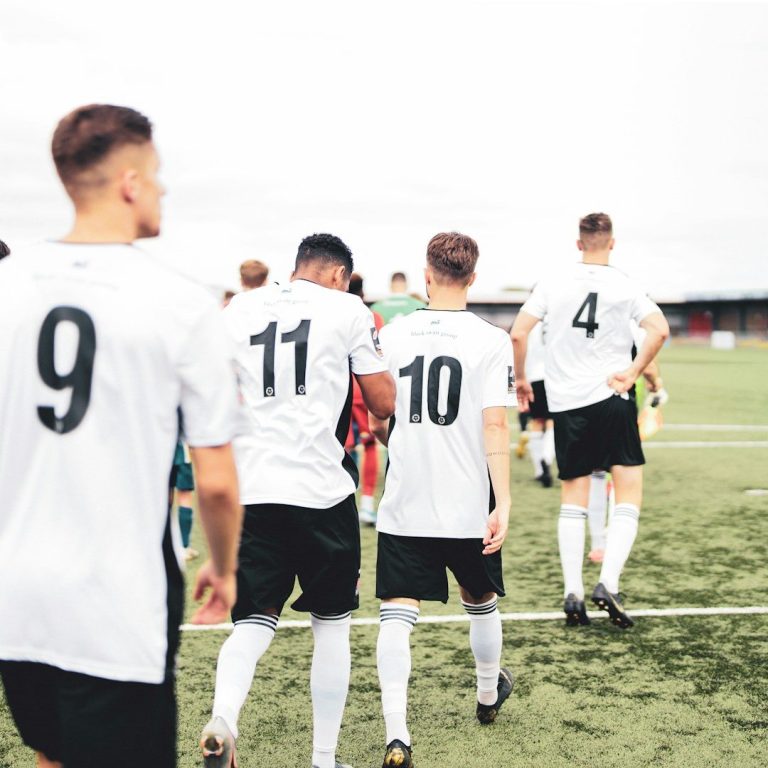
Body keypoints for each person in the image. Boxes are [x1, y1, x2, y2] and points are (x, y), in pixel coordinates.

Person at [0, 104, 243, 768]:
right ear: (130, 181)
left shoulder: (6, 287)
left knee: (51, 756)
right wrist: (222, 569)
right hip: (115, 597)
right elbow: (216, 484)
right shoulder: (181, 302)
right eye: (158, 176)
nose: (164, 191)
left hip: (16, 596)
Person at [201, 234, 396, 768]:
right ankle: (323, 759)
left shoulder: (239, 306)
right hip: (320, 490)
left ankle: (224, 717)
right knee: (331, 625)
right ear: (338, 274)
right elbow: (381, 401)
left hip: (252, 487)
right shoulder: (349, 308)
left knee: (253, 621)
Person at [370, 232, 515, 768]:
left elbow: (376, 417)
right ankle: (484, 695)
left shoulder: (396, 332)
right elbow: (495, 424)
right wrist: (503, 500)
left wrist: (401, 443)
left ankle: (398, 735)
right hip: (466, 500)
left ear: (426, 275)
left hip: (407, 497)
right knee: (479, 600)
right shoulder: (489, 338)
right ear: (473, 278)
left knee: (396, 615)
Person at [512, 213, 669, 629]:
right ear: (611, 243)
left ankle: (573, 593)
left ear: (579, 244)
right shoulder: (626, 283)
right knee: (628, 490)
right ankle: (609, 583)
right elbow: (659, 330)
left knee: (573, 498)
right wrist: (634, 373)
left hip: (567, 404)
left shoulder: (553, 282)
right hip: (612, 397)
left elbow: (517, 333)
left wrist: (522, 380)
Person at [346, 272, 385, 524]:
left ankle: (344, 504)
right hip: (367, 387)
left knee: (342, 446)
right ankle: (368, 504)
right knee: (370, 446)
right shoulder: (374, 317)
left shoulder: (332, 312)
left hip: (341, 391)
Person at [525, 318, 556, 487]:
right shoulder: (556, 319)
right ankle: (546, 457)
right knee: (553, 422)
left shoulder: (528, 324)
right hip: (554, 376)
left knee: (536, 422)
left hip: (534, 377)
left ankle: (539, 469)